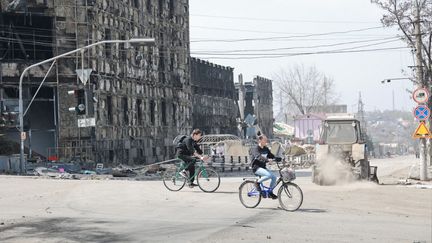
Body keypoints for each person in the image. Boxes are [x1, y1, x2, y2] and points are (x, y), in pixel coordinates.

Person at [250, 134, 281, 199]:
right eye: (265, 140)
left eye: (266, 140)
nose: (266, 141)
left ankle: (270, 192)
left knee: (274, 177)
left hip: (263, 167)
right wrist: (267, 160)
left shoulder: (266, 148)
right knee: (269, 175)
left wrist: (277, 158)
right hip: (256, 168)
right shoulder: (255, 149)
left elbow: (271, 155)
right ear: (260, 140)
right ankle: (257, 183)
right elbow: (258, 156)